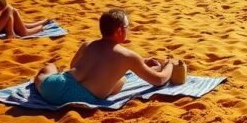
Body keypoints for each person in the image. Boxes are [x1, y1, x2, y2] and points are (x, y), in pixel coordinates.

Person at [33, 9, 179, 106]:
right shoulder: (127, 56)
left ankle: (51, 70)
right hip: (82, 99)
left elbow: (73, 66)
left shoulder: (87, 45)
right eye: (127, 26)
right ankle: (53, 71)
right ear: (120, 30)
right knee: (120, 80)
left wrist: (141, 63)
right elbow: (159, 80)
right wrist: (170, 65)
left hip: (52, 89)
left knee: (48, 69)